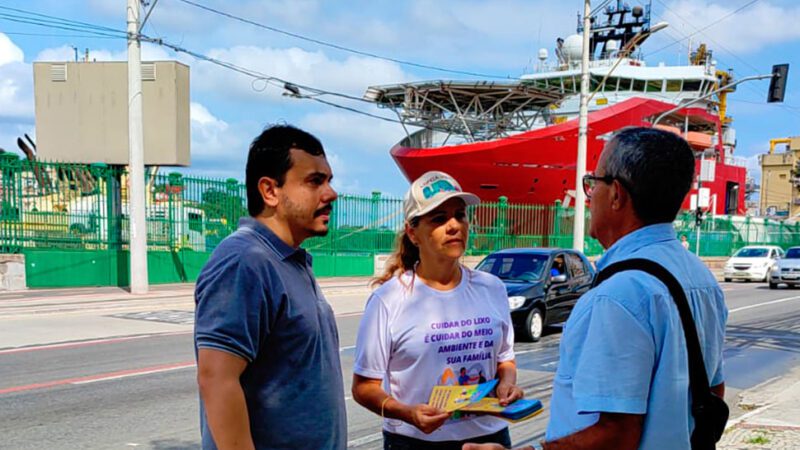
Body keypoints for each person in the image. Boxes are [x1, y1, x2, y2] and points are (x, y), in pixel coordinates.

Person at [464, 127, 727, 450]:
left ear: (617, 194)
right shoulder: (701, 278)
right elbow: (713, 391)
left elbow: (616, 435)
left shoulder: (618, 295)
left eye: (593, 183)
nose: (588, 196)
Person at [193, 125, 346, 449]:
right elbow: (217, 380)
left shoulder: (287, 261)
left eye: (329, 181)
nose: (331, 193)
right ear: (270, 191)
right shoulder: (244, 261)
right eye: (315, 181)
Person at [352, 171, 524, 450]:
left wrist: (507, 383)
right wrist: (407, 413)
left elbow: (506, 360)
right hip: (414, 442)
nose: (454, 225)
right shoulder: (388, 300)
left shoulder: (493, 288)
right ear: (412, 232)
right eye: (439, 218)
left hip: (490, 439)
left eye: (460, 214)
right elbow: (363, 388)